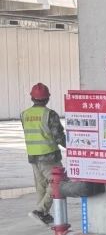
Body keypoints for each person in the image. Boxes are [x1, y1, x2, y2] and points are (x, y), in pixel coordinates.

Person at [20, 82, 66, 226]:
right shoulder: (50, 114)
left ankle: (43, 214)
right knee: (57, 183)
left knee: (41, 186)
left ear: (32, 98)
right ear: (47, 98)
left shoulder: (24, 114)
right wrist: (73, 146)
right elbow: (59, 137)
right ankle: (40, 211)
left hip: (33, 156)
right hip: (49, 156)